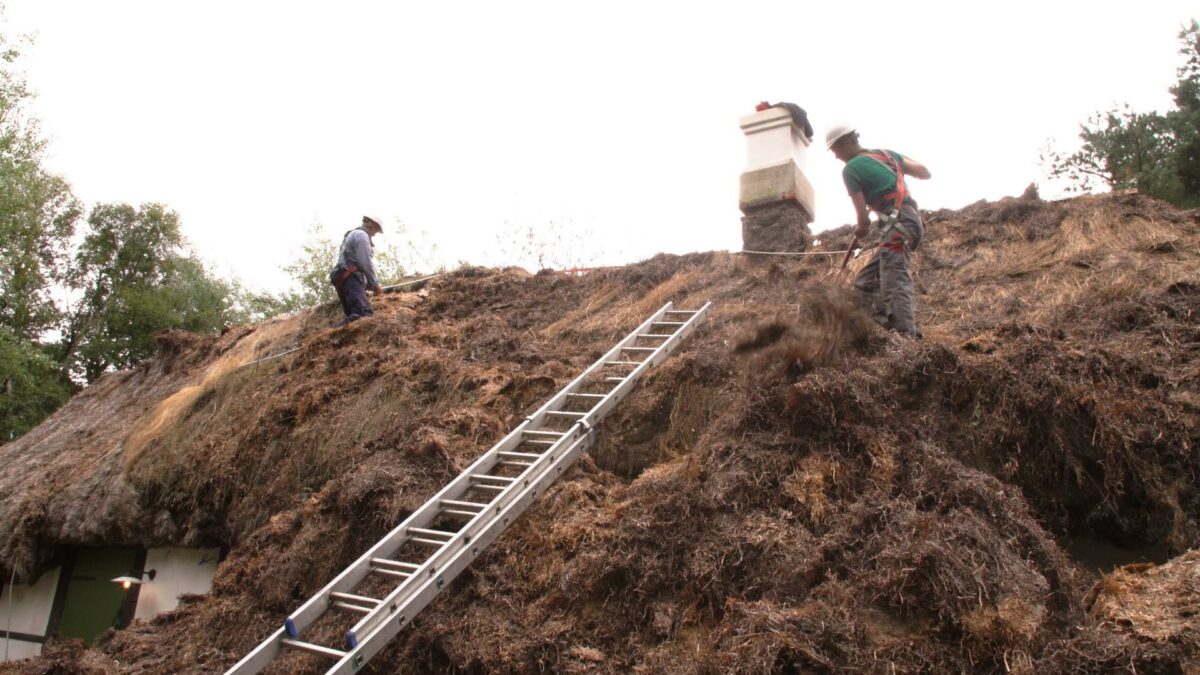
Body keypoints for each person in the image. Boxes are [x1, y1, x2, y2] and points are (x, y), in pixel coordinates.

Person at [826, 125, 931, 338]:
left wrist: (860, 231)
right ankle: (893, 326)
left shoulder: (851, 169)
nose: (836, 157)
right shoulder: (886, 155)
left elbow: (863, 222)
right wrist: (898, 161)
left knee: (894, 279)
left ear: (846, 142)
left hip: (896, 227)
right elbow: (924, 172)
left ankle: (906, 338)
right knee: (864, 284)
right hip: (912, 222)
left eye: (836, 150)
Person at [330, 215, 384, 327]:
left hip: (344, 278)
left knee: (354, 317)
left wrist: (366, 284)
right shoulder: (361, 235)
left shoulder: (354, 234)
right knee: (363, 314)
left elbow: (354, 261)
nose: (375, 234)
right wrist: (375, 284)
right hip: (350, 278)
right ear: (370, 224)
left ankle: (335, 338)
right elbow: (365, 262)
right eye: (376, 230)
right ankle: (329, 334)